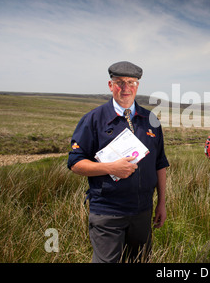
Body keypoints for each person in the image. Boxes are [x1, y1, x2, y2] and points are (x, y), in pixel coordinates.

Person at [67, 61, 169, 263]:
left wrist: (162, 203)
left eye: (131, 82)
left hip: (142, 211)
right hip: (108, 212)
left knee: (139, 260)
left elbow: (160, 164)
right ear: (110, 85)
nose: (125, 88)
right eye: (119, 82)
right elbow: (75, 163)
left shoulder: (151, 120)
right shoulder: (93, 119)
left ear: (137, 86)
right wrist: (110, 168)